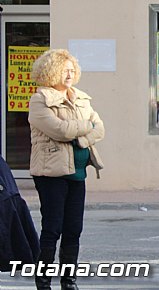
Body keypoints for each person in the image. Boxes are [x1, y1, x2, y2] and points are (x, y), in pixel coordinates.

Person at [28, 49, 105, 290]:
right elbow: (58, 130)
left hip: (77, 172)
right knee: (53, 228)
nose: (70, 74)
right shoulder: (40, 99)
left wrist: (81, 139)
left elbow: (100, 128)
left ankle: (68, 280)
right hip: (51, 173)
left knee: (74, 229)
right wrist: (85, 126)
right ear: (51, 71)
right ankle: (43, 281)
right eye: (64, 70)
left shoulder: (81, 97)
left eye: (72, 69)